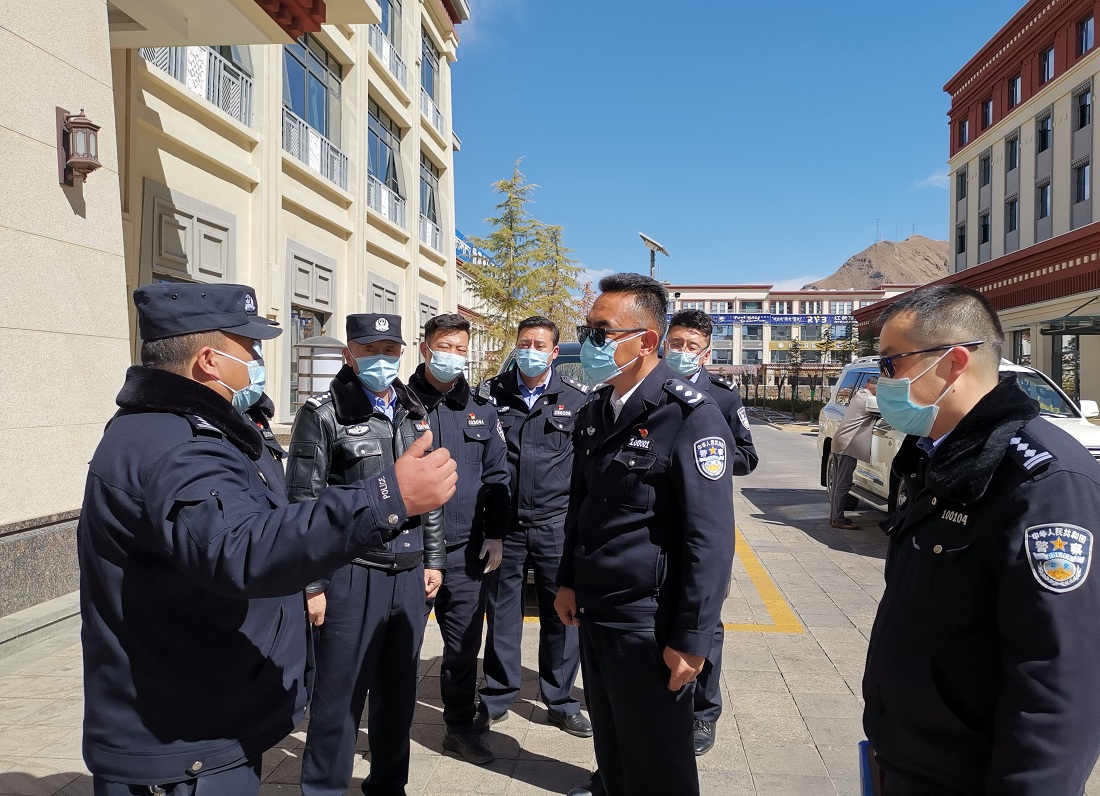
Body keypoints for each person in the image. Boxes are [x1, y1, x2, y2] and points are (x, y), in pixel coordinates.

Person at [78, 283, 457, 795]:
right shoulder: (177, 444)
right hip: (183, 741)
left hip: (209, 714)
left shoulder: (203, 427)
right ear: (209, 360)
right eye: (250, 347)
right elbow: (242, 548)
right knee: (340, 700)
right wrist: (386, 498)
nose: (258, 360)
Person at [862, 284, 1100, 795]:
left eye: (891, 364)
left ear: (952, 363)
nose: (882, 382)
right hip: (909, 759)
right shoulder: (940, 456)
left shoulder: (1042, 480)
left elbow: (1059, 677)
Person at [555, 274, 736, 796]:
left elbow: (709, 539)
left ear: (646, 341)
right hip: (597, 611)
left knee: (657, 765)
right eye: (587, 331)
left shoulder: (689, 417)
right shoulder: (597, 410)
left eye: (601, 332)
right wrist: (568, 580)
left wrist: (693, 639)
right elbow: (582, 505)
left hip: (648, 622)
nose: (590, 343)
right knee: (613, 749)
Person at [286, 313, 445, 796]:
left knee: (398, 696)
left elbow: (430, 492)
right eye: (370, 350)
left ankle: (388, 787)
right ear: (349, 354)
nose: (382, 359)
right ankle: (324, 789)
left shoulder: (414, 409)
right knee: (339, 698)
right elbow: (303, 503)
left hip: (408, 572)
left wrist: (433, 558)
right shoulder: (324, 413)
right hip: (350, 573)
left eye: (390, 350)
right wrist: (312, 584)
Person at [475, 316, 593, 739]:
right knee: (501, 613)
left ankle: (560, 701)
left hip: (555, 524)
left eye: (539, 345)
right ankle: (497, 697)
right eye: (524, 343)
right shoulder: (489, 395)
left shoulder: (577, 399)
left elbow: (586, 469)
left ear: (554, 352)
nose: (530, 351)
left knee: (562, 614)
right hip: (503, 527)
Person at [405, 313, 511, 765]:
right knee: (400, 647)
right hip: (409, 552)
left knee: (464, 649)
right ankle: (391, 730)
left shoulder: (482, 410)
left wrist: (496, 535)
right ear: (426, 348)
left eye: (460, 349)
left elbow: (498, 477)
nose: (452, 356)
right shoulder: (400, 404)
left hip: (466, 552)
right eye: (444, 347)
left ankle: (460, 727)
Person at [664, 308, 759, 756]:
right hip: (655, 526)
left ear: (706, 353)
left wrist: (704, 455)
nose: (682, 352)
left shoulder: (720, 397)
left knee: (705, 620)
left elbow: (747, 457)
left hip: (701, 520)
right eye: (676, 343)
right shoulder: (647, 388)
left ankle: (704, 711)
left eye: (692, 347)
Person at [828, 378, 878, 531]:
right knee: (843, 484)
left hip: (840, 442)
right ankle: (837, 519)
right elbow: (888, 413)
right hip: (847, 444)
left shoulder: (860, 395)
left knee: (837, 483)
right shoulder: (868, 400)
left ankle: (834, 516)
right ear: (874, 386)